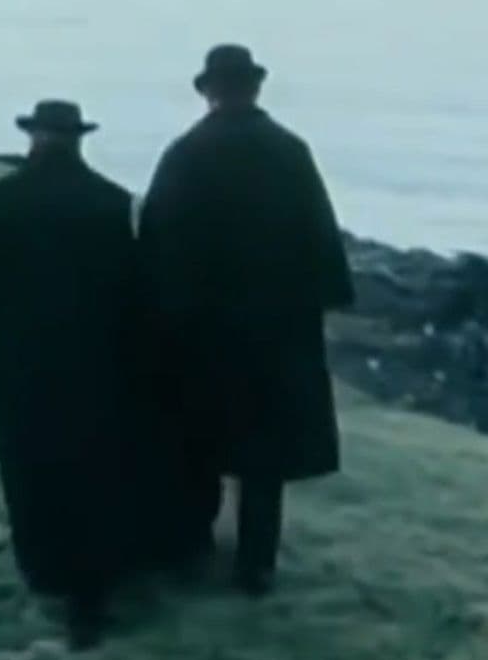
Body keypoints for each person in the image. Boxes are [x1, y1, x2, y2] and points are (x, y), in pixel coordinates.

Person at [138, 45, 355, 595]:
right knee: (264, 458)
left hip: (203, 332)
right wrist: (319, 303)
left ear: (210, 91)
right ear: (254, 88)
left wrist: (158, 313)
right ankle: (257, 565)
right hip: (276, 333)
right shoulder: (289, 152)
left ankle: (193, 548)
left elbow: (157, 245)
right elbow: (321, 241)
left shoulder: (187, 154)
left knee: (198, 444)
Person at [0, 100, 137, 649]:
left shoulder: (6, 197)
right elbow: (128, 286)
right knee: (91, 469)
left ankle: (42, 567)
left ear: (35, 137)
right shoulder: (110, 201)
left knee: (27, 462)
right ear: (78, 139)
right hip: (94, 356)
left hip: (21, 353)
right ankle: (91, 589)